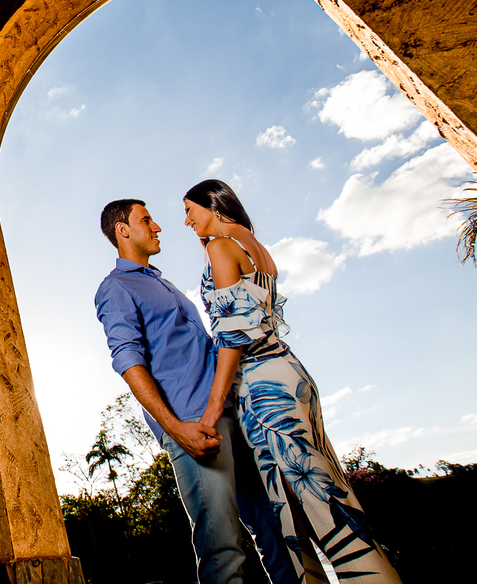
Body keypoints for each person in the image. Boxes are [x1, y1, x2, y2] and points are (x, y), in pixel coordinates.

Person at [184, 179, 402, 583]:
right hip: (288, 371)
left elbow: (233, 333)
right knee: (326, 486)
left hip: (261, 385)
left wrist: (214, 406)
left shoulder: (220, 246)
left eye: (190, 210)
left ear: (212, 206)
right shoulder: (253, 246)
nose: (186, 221)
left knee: (308, 502)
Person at [95, 198, 299, 584]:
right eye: (146, 220)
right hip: (193, 425)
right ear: (123, 231)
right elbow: (126, 359)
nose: (157, 227)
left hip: (228, 415)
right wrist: (176, 429)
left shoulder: (161, 282)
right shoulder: (116, 287)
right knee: (222, 548)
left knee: (277, 532)